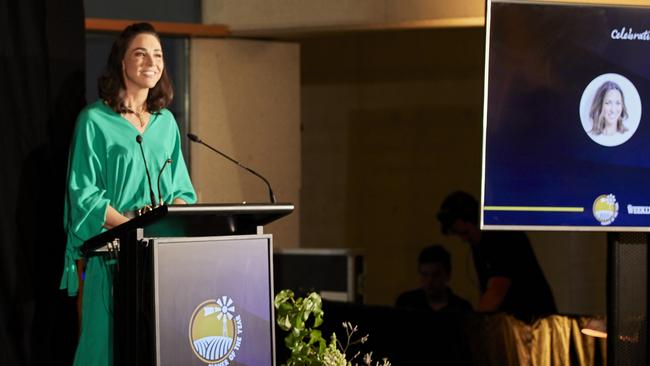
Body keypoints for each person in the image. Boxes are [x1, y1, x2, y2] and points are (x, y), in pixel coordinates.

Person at [59, 23, 196, 366]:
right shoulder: (93, 121)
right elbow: (85, 194)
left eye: (158, 54)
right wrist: (132, 231)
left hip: (159, 259)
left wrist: (161, 227)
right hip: (112, 256)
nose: (151, 61)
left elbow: (182, 190)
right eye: (140, 52)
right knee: (106, 349)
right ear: (121, 62)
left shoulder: (166, 124)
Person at [436, 191, 556, 322]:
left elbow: (496, 291)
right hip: (522, 324)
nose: (464, 239)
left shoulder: (502, 236)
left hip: (533, 324)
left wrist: (476, 325)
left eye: (465, 233)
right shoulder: (480, 242)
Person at [396, 245, 472, 313]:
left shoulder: (462, 309)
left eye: (436, 275)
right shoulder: (406, 304)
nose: (429, 281)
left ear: (448, 275)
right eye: (424, 275)